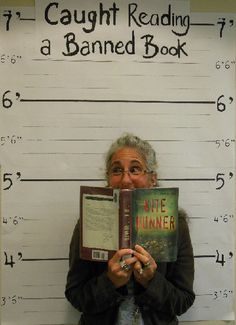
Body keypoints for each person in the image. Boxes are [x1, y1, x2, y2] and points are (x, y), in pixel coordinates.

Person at [65, 133, 195, 325]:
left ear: (152, 179)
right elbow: (75, 295)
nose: (126, 180)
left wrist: (150, 281)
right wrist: (110, 282)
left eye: (135, 169)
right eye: (117, 170)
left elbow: (183, 301)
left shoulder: (176, 224)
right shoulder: (87, 223)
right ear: (108, 178)